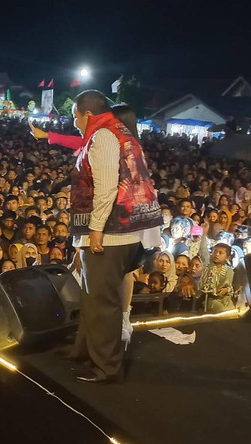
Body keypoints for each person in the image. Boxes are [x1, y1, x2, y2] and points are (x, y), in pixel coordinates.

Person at [67, 90, 162, 383]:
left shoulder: (104, 136)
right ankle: (85, 353)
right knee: (92, 298)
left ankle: (107, 367)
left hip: (110, 235)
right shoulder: (119, 132)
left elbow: (107, 185)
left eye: (75, 117)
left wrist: (95, 229)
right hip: (119, 232)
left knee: (103, 303)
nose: (74, 124)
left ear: (87, 114)